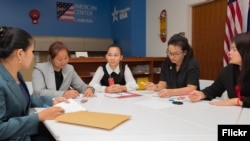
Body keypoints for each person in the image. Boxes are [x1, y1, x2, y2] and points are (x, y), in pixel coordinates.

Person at [0, 26, 68, 140]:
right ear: (20, 54)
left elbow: (25, 99)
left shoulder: (16, 74)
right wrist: (38, 117)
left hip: (23, 133)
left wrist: (51, 100)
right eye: (32, 51)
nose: (32, 56)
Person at [188, 32, 250, 108]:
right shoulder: (228, 71)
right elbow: (214, 89)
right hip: (235, 114)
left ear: (246, 52)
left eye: (234, 49)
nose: (229, 53)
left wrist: (236, 101)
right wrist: (201, 94)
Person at [145, 33, 200, 97]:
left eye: (176, 54)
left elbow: (191, 88)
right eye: (169, 53)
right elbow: (163, 83)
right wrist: (156, 87)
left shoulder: (192, 63)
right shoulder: (166, 63)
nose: (172, 57)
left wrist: (171, 92)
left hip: (190, 99)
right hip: (173, 99)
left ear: (184, 52)